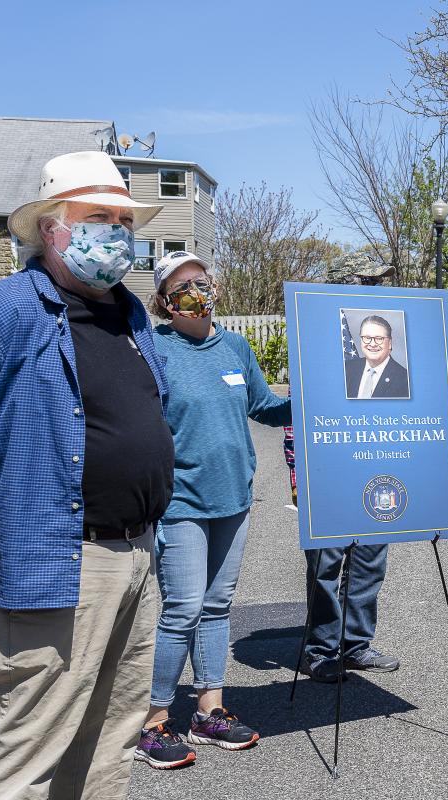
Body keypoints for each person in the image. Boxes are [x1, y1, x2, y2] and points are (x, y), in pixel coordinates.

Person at [0, 151, 171, 799]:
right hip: (58, 559)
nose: (115, 231)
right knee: (20, 748)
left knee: (110, 737)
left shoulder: (132, 314)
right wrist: (7, 503)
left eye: (123, 219)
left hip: (140, 554)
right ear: (51, 228)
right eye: (97, 217)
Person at [135, 252, 292, 769]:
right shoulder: (154, 349)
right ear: (164, 301)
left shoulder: (237, 347)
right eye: (180, 288)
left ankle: (209, 710)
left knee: (218, 606)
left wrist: (312, 401)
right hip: (181, 503)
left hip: (234, 500)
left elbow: (263, 406)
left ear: (215, 287)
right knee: (181, 610)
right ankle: (154, 721)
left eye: (200, 283)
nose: (193, 293)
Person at [291, 441, 403, 682]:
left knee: (368, 563)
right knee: (325, 567)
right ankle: (320, 652)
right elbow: (298, 425)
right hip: (326, 476)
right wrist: (297, 475)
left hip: (375, 471)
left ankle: (355, 646)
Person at [345, 314, 411, 399]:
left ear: (389, 343)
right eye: (367, 337)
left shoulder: (404, 380)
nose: (372, 344)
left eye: (379, 338)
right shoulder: (348, 368)